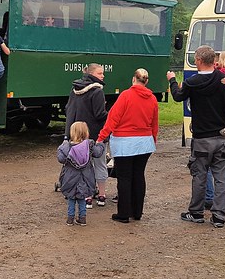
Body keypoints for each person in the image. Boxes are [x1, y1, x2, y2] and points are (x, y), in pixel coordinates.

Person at [167, 45, 225, 228]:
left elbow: (178, 97)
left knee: (199, 176)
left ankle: (196, 213)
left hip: (202, 139)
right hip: (223, 138)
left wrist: (171, 80)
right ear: (213, 61)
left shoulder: (192, 82)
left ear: (199, 61)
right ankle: (218, 216)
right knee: (221, 178)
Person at [97, 68, 160, 223]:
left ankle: (123, 213)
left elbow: (113, 119)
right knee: (139, 176)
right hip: (145, 142)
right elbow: (154, 123)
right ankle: (137, 212)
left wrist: (101, 138)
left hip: (125, 142)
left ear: (133, 79)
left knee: (124, 178)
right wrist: (152, 139)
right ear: (147, 81)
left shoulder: (126, 96)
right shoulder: (152, 98)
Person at [63, 63, 109, 207]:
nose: (103, 76)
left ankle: (87, 196)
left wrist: (68, 134)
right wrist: (112, 115)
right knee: (100, 164)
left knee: (83, 166)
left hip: (77, 134)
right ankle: (101, 196)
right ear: (93, 74)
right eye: (100, 73)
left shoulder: (75, 89)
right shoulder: (97, 91)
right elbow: (99, 114)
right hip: (95, 135)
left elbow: (68, 109)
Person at [57, 121, 105, 226]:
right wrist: (101, 144)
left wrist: (62, 146)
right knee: (82, 197)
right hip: (85, 176)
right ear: (86, 132)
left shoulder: (67, 147)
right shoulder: (89, 145)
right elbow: (98, 153)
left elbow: (61, 159)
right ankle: (82, 218)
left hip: (70, 176)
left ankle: (70, 218)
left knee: (71, 198)